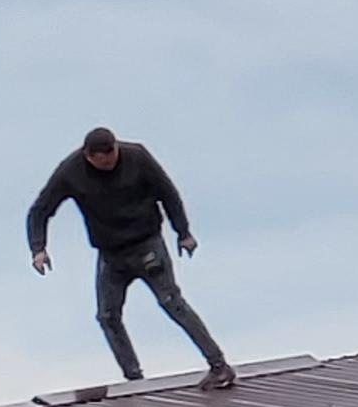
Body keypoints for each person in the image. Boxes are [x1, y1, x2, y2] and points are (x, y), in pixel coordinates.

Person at [27, 124, 234, 387]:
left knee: (172, 303)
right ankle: (133, 379)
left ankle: (219, 366)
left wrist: (183, 232)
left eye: (113, 159)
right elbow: (40, 210)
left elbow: (168, 193)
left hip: (147, 246)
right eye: (103, 163)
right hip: (111, 256)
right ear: (89, 156)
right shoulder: (71, 171)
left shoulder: (137, 157)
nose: (110, 166)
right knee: (107, 316)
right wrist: (38, 249)